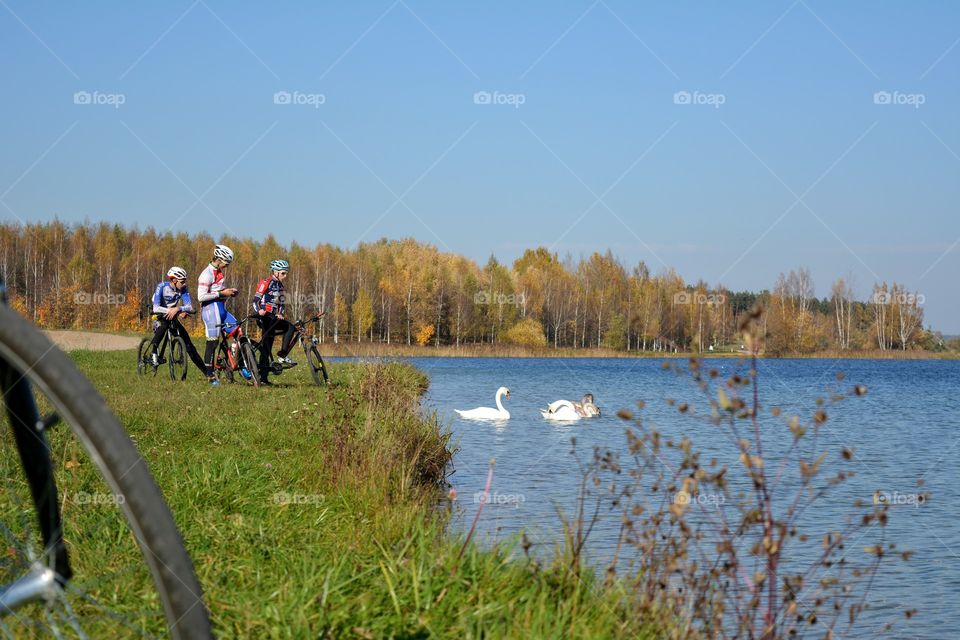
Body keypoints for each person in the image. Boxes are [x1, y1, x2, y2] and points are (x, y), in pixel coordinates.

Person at [147, 267, 208, 375]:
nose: (184, 284)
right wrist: (175, 311)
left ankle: (208, 374)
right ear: (174, 280)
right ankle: (153, 352)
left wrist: (178, 309)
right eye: (182, 281)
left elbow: (189, 306)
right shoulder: (161, 286)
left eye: (185, 281)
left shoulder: (183, 289)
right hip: (159, 312)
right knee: (163, 326)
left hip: (172, 314)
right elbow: (156, 308)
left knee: (189, 346)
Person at [198, 244, 239, 386]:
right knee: (212, 342)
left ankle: (243, 365)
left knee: (238, 331)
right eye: (227, 263)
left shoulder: (219, 272)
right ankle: (210, 376)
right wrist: (222, 293)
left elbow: (218, 290)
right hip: (210, 310)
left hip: (221, 309)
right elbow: (201, 296)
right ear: (220, 259)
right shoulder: (206, 274)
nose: (228, 266)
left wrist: (229, 291)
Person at [253, 259, 297, 385]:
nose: (285, 276)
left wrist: (280, 313)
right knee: (267, 346)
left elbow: (282, 304)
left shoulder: (281, 286)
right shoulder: (265, 282)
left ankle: (281, 356)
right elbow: (255, 301)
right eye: (283, 273)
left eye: (286, 273)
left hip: (273, 318)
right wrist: (260, 310)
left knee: (290, 328)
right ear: (276, 272)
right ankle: (264, 377)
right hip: (264, 317)